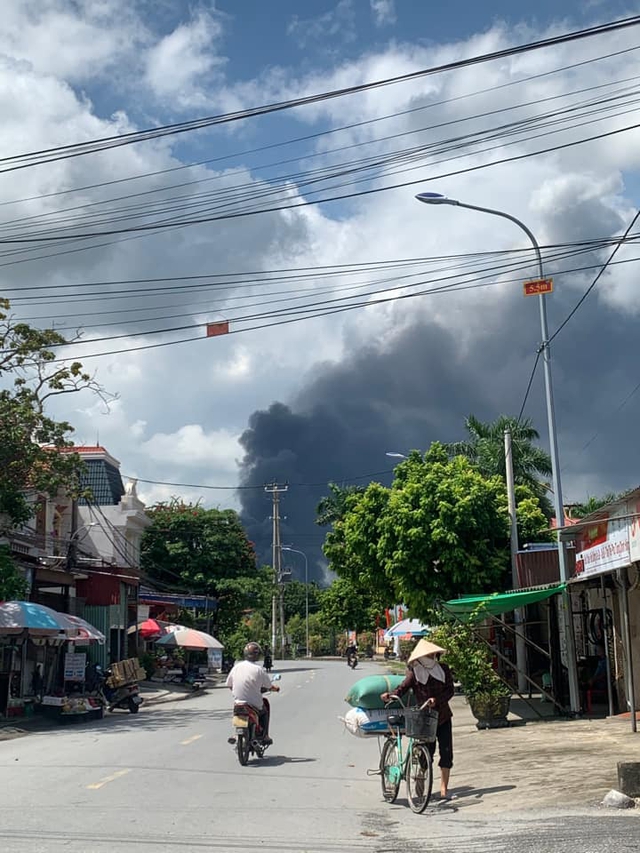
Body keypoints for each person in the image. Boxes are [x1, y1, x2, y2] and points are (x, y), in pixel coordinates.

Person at [381, 639, 455, 801]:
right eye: (429, 654)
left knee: (447, 752)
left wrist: (437, 700)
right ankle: (421, 776)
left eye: (433, 654)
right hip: (424, 718)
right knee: (426, 752)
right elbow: (402, 688)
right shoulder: (414, 673)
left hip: (443, 716)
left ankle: (444, 788)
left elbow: (450, 690)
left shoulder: (443, 669)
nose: (432, 656)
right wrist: (391, 695)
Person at [226, 642, 279, 744]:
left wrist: (236, 692)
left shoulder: (236, 667)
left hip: (238, 703)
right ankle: (265, 736)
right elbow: (269, 686)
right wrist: (275, 688)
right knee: (264, 710)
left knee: (237, 713)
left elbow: (229, 684)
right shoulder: (259, 670)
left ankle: (236, 734)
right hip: (254, 704)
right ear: (256, 655)